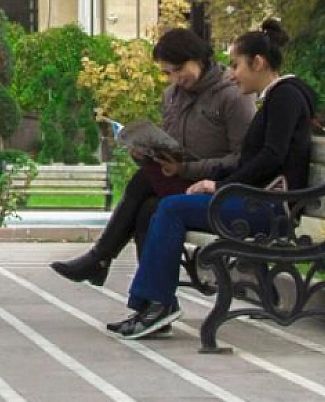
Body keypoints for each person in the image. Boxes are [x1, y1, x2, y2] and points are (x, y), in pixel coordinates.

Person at [109, 19, 316, 339]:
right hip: (258, 201)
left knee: (171, 208)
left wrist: (219, 186)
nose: (232, 74)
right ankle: (151, 304)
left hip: (271, 209)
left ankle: (157, 305)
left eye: (236, 65)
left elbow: (271, 158)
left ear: (258, 63)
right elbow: (257, 160)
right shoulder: (277, 98)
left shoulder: (286, 96)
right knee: (162, 205)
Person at [51, 27, 253, 287]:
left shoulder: (232, 94)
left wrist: (187, 168)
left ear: (198, 59)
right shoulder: (172, 96)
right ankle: (151, 299)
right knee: (148, 207)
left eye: (179, 69)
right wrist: (146, 153)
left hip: (215, 186)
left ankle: (101, 260)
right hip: (180, 179)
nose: (176, 78)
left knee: (144, 186)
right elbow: (170, 144)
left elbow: (243, 159)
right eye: (168, 73)